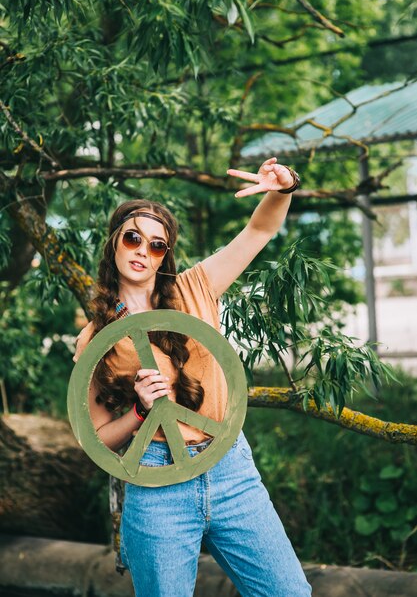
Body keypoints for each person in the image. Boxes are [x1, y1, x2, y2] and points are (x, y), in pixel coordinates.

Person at [73, 157, 312, 597]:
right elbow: (97, 437)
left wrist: (283, 188)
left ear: (166, 255)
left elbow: (259, 231)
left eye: (157, 245)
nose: (143, 251)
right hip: (156, 481)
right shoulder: (94, 339)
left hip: (230, 469)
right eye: (133, 238)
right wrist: (140, 411)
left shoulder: (196, 287)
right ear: (114, 244)